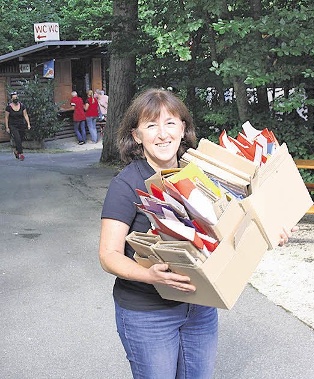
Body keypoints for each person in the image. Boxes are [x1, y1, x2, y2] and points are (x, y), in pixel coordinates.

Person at [99, 88, 295, 379]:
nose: (162, 134)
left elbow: (231, 226)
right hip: (148, 312)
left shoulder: (202, 173)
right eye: (151, 125)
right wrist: (150, 275)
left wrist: (269, 230)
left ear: (183, 128)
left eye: (170, 123)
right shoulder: (126, 185)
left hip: (200, 307)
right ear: (137, 136)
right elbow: (108, 255)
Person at [5, 92, 31, 161]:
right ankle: (21, 154)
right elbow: (6, 117)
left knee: (21, 138)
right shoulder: (8, 107)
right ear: (11, 99)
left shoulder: (22, 106)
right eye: (14, 98)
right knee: (17, 139)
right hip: (13, 125)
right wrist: (7, 127)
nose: (15, 99)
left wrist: (28, 124)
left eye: (16, 98)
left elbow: (25, 115)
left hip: (21, 124)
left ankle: (16, 151)